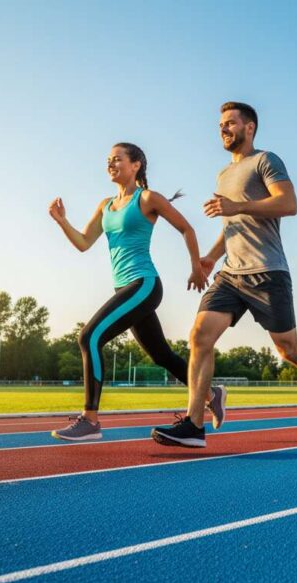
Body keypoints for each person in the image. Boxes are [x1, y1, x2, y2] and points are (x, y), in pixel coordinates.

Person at [151, 102, 297, 448]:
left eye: (230, 123)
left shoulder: (266, 161)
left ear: (250, 127)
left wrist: (237, 206)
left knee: (288, 349)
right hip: (230, 275)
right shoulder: (223, 175)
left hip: (267, 271)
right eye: (220, 125)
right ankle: (194, 425)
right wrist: (211, 257)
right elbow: (231, 225)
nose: (223, 129)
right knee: (199, 336)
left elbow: (289, 204)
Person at [48, 142, 227, 441]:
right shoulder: (105, 206)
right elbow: (83, 243)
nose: (111, 164)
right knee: (162, 355)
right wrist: (62, 221)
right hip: (124, 288)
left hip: (143, 284)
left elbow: (187, 229)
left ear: (136, 165)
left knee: (88, 337)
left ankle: (90, 420)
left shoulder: (146, 199)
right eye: (108, 160)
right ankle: (211, 394)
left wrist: (197, 267)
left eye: (117, 159)